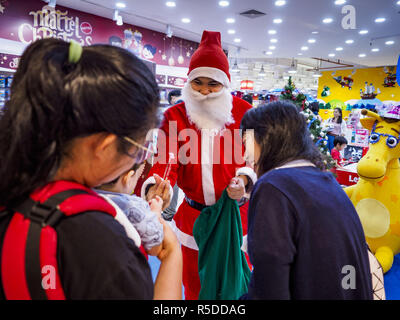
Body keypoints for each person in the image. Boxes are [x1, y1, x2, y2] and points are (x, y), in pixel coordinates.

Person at [0, 38, 182, 300]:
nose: (139, 159)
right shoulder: (99, 239)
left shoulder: (16, 188)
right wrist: (172, 255)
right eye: (139, 148)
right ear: (104, 145)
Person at [141, 30, 257, 300]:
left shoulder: (244, 113)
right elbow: (166, 163)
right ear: (188, 82)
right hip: (192, 220)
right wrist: (159, 186)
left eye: (213, 84)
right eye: (198, 83)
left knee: (235, 284)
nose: (204, 91)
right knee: (194, 285)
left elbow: (253, 159)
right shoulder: (174, 116)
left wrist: (245, 181)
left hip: (234, 218)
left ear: (225, 84)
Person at [240, 101, 372, 300]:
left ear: (267, 140)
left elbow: (269, 284)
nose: (246, 155)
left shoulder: (273, 186)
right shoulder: (326, 181)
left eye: (247, 143)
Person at [96, 164, 164, 257]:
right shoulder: (133, 207)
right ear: (127, 178)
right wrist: (156, 212)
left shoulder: (86, 195)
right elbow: (154, 247)